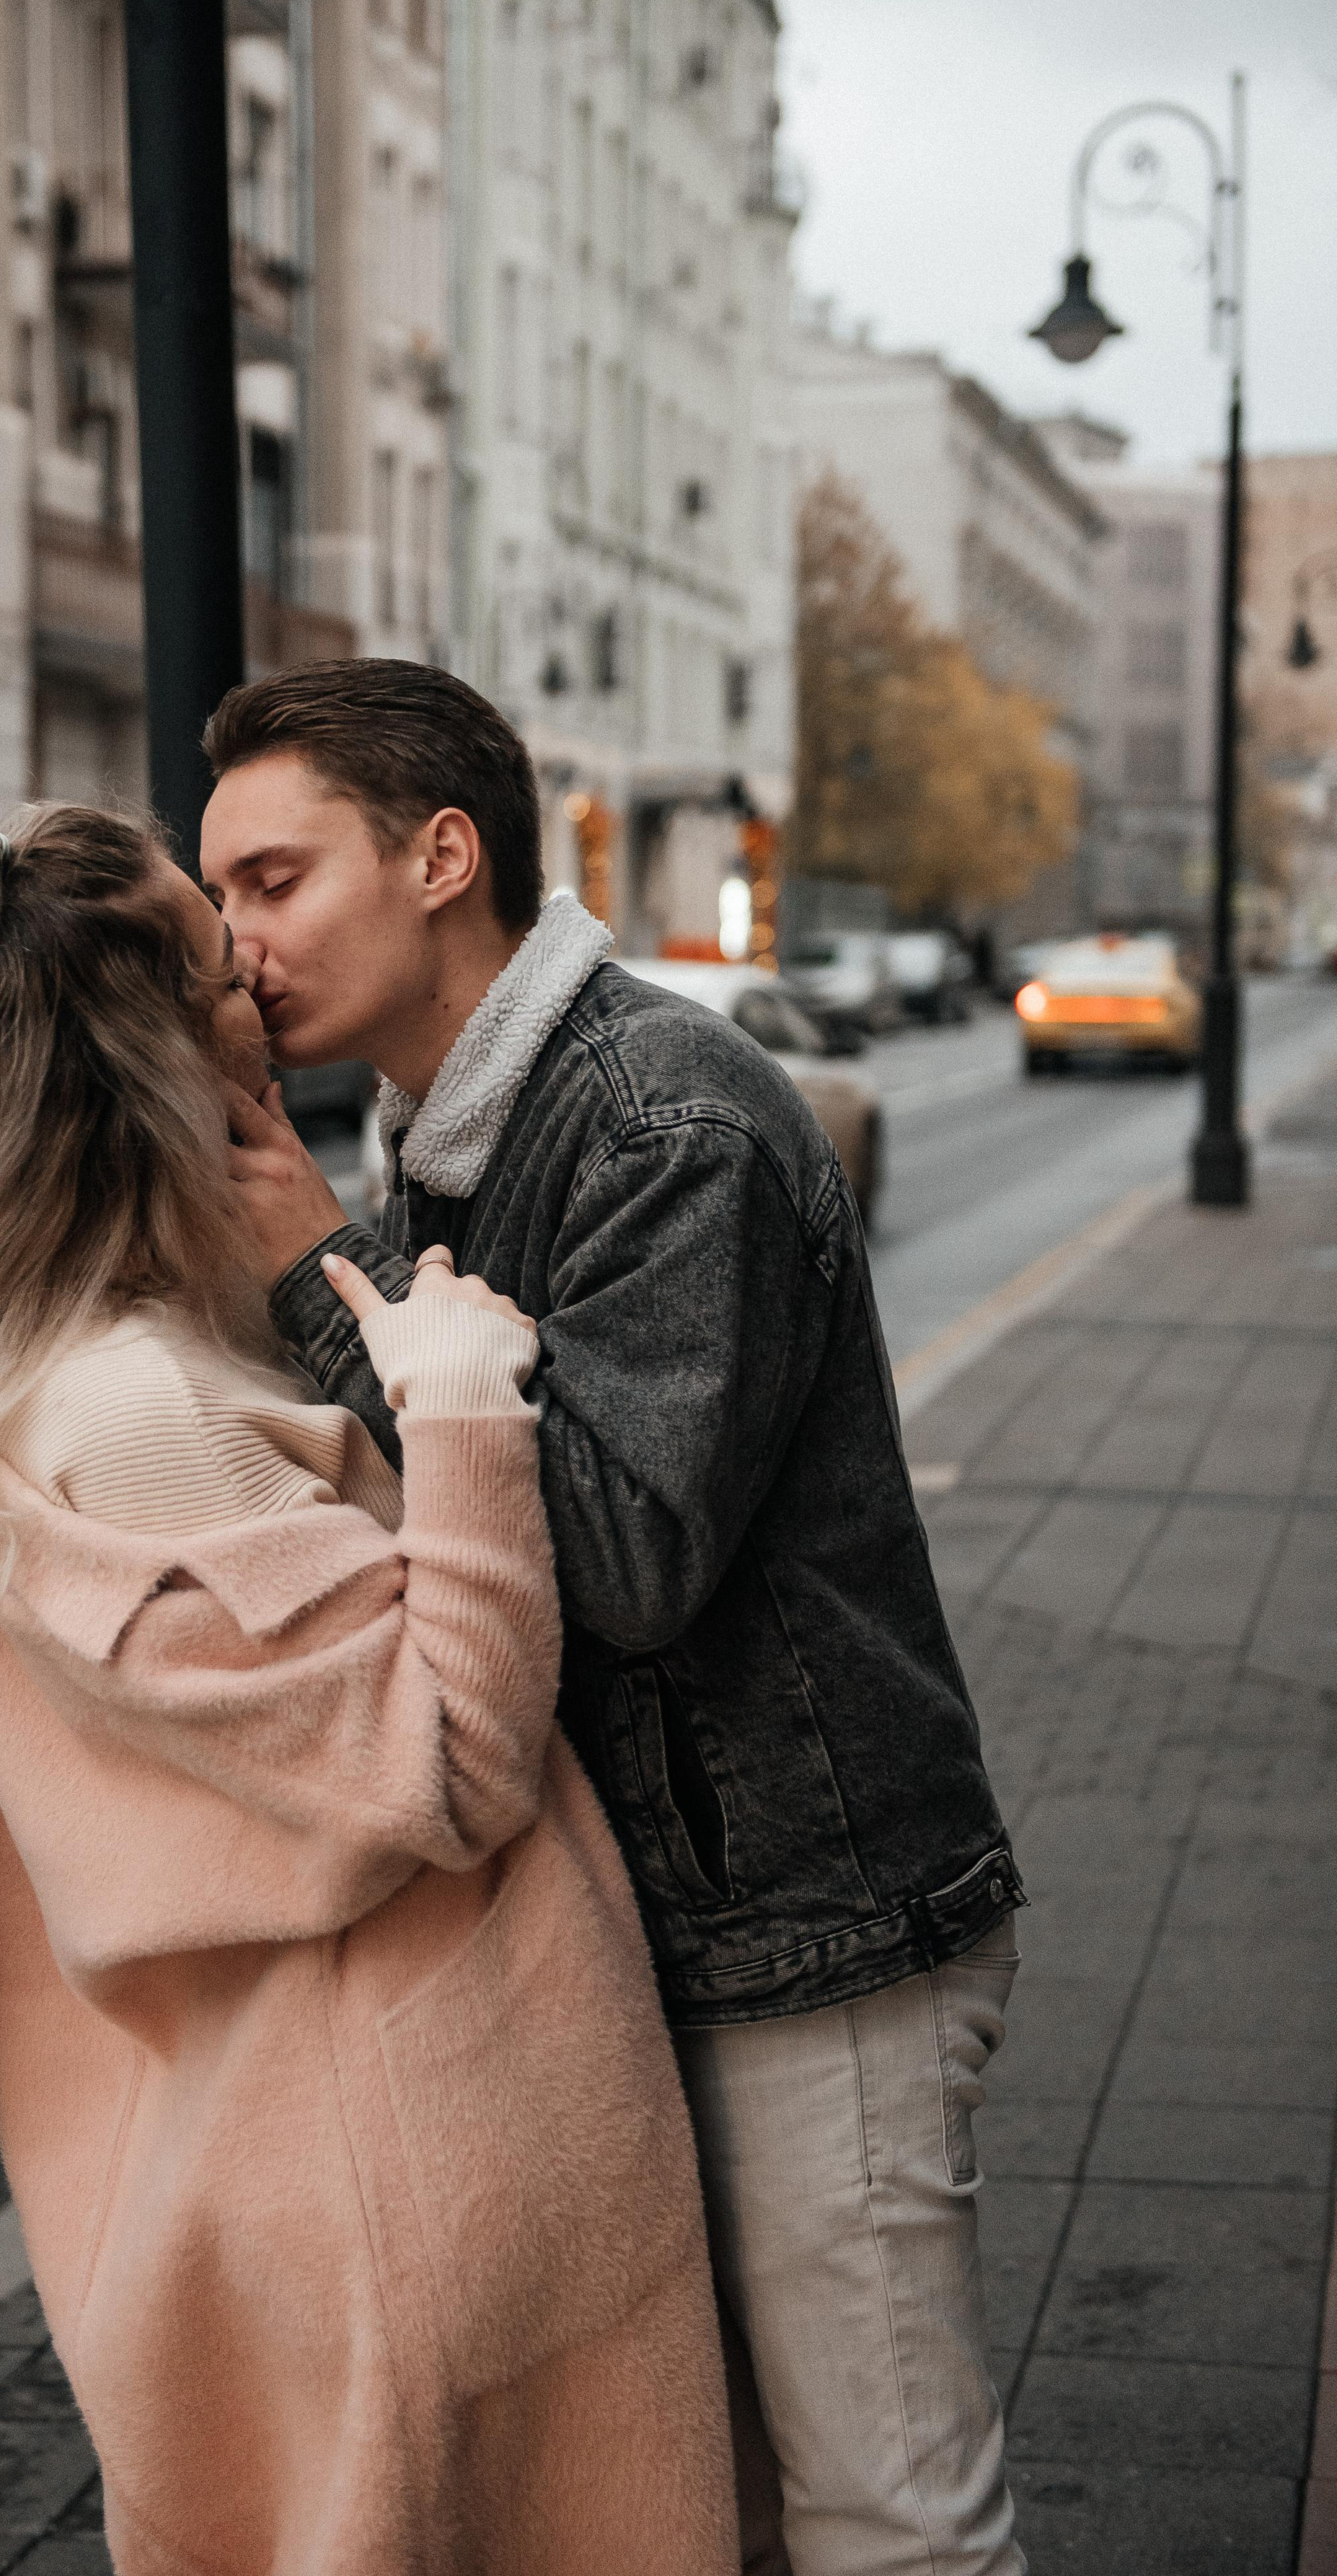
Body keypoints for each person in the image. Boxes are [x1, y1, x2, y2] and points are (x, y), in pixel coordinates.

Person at [0, 801, 738, 2576]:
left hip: (317, 2158)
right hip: (405, 2174)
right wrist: (459, 1402)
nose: (251, 971)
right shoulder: (138, 1418)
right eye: (203, 951)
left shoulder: (74, 1371)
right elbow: (449, 1759)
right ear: (141, 1060)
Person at [200, 658, 1028, 2576]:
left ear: (440, 856)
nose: (237, 947)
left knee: (890, 2520)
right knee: (712, 2516)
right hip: (661, 1939)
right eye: (222, 895)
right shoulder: (450, 1135)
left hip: (815, 1945)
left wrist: (318, 1271)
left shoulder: (663, 1118)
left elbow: (626, 1554)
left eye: (272, 880)